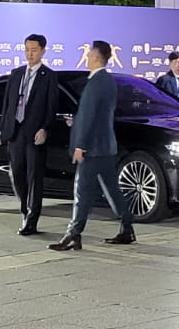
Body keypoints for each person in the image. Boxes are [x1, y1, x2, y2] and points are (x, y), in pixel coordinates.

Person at [51, 40, 134, 250]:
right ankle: (126, 227)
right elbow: (97, 115)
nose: (86, 58)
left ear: (96, 57)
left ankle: (73, 233)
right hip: (106, 146)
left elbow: (89, 116)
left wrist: (80, 144)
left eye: (89, 54)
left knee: (82, 191)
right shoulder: (108, 81)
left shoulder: (95, 83)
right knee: (112, 189)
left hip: (92, 148)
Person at [0, 33, 58, 236]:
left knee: (34, 177)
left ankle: (32, 219)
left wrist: (45, 128)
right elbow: (7, 105)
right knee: (18, 175)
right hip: (15, 132)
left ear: (43, 51)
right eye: (27, 50)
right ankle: (25, 210)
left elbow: (51, 107)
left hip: (34, 133)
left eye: (34, 50)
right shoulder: (16, 74)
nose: (30, 54)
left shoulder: (49, 76)